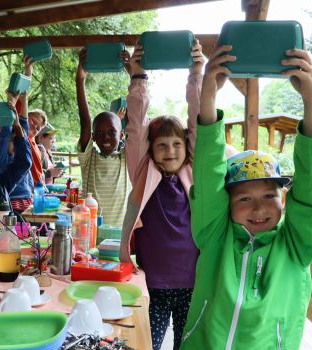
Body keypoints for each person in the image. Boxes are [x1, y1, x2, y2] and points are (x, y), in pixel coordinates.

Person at [180, 47, 312, 349]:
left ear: (284, 199)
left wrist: (311, 101)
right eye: (244, 199)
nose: (259, 207)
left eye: (268, 195)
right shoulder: (214, 236)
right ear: (227, 204)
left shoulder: (296, 247)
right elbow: (209, 179)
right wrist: (208, 98)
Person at [119, 40, 226, 350]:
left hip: (192, 284)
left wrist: (197, 74)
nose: (170, 151)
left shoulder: (193, 175)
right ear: (151, 150)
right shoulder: (144, 174)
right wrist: (138, 79)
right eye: (162, 145)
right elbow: (136, 127)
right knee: (145, 344)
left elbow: (198, 122)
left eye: (177, 144)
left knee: (185, 345)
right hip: (152, 283)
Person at [76, 48, 129, 227]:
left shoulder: (128, 158)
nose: (105, 137)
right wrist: (80, 79)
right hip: (90, 236)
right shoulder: (88, 159)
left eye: (111, 132)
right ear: (93, 137)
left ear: (121, 134)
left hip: (120, 238)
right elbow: (85, 121)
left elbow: (138, 123)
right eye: (99, 133)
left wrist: (133, 73)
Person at [0, 56, 44, 214]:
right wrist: (12, 101)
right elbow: (10, 128)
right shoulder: (5, 160)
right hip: (13, 202)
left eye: (38, 127)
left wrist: (24, 98)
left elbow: (22, 123)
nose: (34, 127)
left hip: (27, 199)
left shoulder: (24, 146)